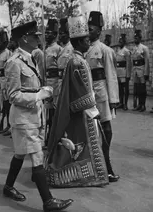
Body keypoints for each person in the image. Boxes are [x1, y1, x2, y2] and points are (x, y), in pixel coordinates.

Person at [3, 21, 73, 211]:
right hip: (24, 118)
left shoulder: (31, 58)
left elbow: (30, 86)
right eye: (35, 36)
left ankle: (8, 187)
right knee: (36, 155)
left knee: (20, 153)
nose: (38, 38)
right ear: (25, 38)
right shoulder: (14, 62)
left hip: (34, 115)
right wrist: (38, 95)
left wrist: (42, 90)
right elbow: (13, 95)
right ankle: (48, 201)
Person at [45, 15, 109, 188]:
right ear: (80, 42)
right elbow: (78, 89)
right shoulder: (76, 61)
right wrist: (90, 105)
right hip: (83, 110)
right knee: (83, 143)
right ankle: (82, 174)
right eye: (87, 39)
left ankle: (94, 172)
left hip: (86, 107)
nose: (90, 42)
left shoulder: (79, 59)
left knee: (84, 144)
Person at [86, 11, 120, 183]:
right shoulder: (83, 50)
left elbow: (111, 75)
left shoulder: (105, 50)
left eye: (91, 29)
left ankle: (107, 167)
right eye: (87, 28)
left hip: (101, 96)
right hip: (87, 97)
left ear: (99, 30)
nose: (88, 31)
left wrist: (113, 99)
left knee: (106, 130)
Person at [45, 19, 62, 146]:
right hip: (47, 83)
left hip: (55, 83)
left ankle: (54, 137)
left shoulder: (58, 49)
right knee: (48, 113)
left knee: (55, 113)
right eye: (46, 32)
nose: (46, 35)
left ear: (55, 34)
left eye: (49, 33)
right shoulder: (45, 49)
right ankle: (48, 137)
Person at [0, 29, 12, 135]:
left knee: (8, 104)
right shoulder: (0, 54)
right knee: (3, 104)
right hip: (1, 80)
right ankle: (5, 124)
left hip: (6, 80)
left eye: (1, 42)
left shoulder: (8, 53)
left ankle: (10, 125)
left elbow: (8, 69)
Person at [131, 29, 150, 112]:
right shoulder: (133, 48)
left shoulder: (144, 48)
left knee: (142, 89)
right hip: (135, 70)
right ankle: (139, 104)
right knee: (137, 89)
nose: (136, 39)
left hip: (141, 69)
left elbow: (147, 61)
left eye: (137, 38)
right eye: (135, 38)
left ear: (140, 38)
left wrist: (146, 73)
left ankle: (143, 105)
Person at [57, 17, 73, 96]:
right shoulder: (60, 49)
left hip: (69, 81)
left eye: (62, 33)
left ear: (68, 34)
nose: (60, 36)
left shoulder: (71, 48)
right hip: (60, 81)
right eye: (59, 34)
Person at [116, 34, 132, 110]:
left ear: (124, 42)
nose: (120, 43)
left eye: (121, 42)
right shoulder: (118, 51)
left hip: (124, 72)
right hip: (118, 72)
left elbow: (129, 64)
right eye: (119, 42)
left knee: (126, 89)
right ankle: (121, 103)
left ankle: (125, 104)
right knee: (120, 89)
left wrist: (128, 75)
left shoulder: (126, 51)